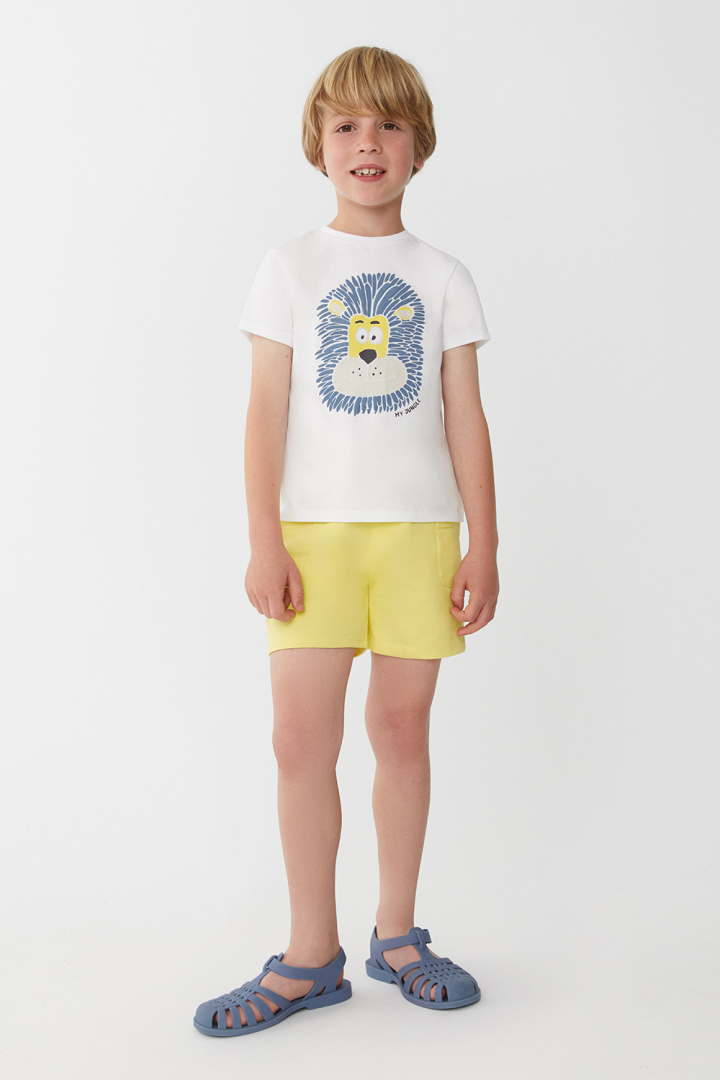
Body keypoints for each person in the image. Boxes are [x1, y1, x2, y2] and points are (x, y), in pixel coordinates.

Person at [193, 45, 499, 1037]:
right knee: (299, 741)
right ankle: (309, 954)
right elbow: (263, 414)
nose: (369, 143)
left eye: (390, 125)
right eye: (347, 125)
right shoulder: (289, 267)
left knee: (401, 732)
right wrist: (263, 540)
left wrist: (485, 545)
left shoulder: (443, 276)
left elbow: (465, 418)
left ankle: (397, 935)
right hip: (311, 542)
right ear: (318, 146)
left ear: (420, 147)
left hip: (419, 538)